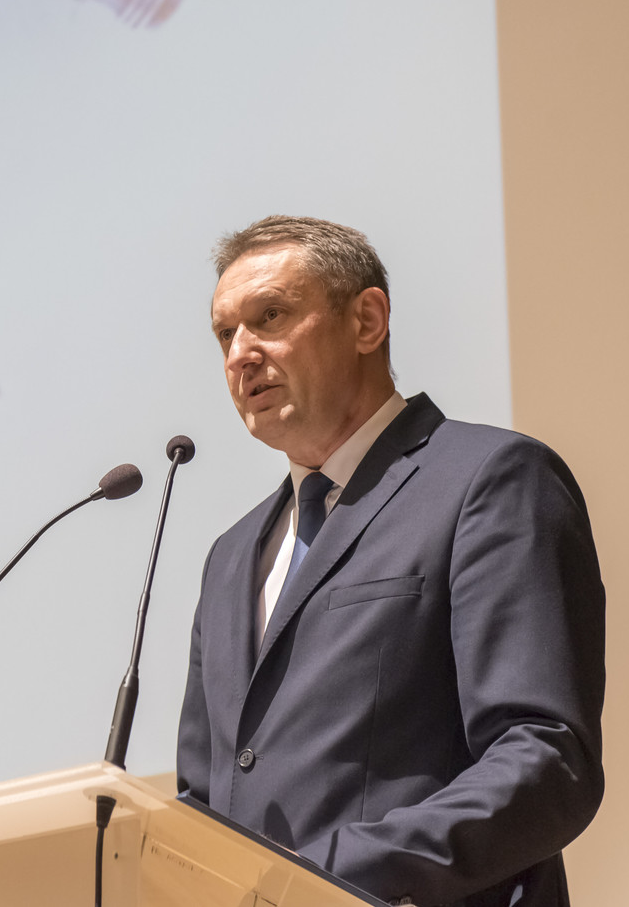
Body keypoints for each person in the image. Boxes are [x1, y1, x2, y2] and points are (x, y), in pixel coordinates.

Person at [176, 216, 605, 907]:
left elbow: (545, 759)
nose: (241, 355)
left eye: (270, 317)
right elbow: (203, 798)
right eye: (225, 334)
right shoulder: (230, 557)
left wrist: (328, 876)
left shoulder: (489, 480)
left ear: (367, 321)